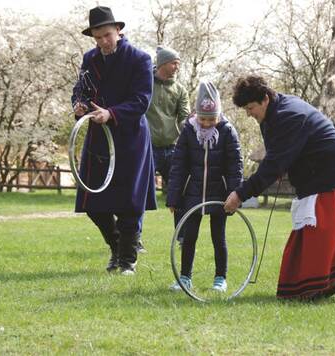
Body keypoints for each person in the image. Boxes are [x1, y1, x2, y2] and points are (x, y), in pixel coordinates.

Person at [225, 75, 335, 300]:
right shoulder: (273, 115)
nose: (249, 113)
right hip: (320, 173)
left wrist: (240, 194)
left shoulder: (288, 116)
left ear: (265, 99)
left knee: (317, 234)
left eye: (251, 107)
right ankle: (329, 283)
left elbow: (274, 164)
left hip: (331, 172)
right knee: (313, 234)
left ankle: (317, 287)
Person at [71, 6, 156, 275]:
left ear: (118, 30)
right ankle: (117, 248)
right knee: (93, 204)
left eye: (107, 35)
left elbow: (142, 100)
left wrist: (112, 113)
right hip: (98, 139)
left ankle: (127, 261)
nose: (103, 42)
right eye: (97, 38)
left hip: (130, 138)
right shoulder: (90, 59)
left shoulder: (140, 59)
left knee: (128, 204)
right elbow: (81, 90)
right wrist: (79, 105)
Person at [166, 81, 243, 292]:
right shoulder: (189, 131)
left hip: (219, 193)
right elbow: (179, 166)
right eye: (203, 119)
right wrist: (173, 196)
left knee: (219, 236)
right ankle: (185, 278)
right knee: (188, 236)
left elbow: (234, 166)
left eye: (211, 119)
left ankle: (220, 278)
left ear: (219, 115)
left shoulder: (227, 131)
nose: (207, 124)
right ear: (195, 115)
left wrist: (235, 194)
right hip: (193, 193)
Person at [145, 45, 190, 247]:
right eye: (174, 63)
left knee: (179, 192)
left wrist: (189, 126)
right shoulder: (145, 83)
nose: (177, 67)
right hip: (148, 149)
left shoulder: (180, 90)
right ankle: (134, 239)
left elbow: (184, 117)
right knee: (141, 192)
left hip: (173, 148)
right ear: (163, 63)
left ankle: (182, 236)